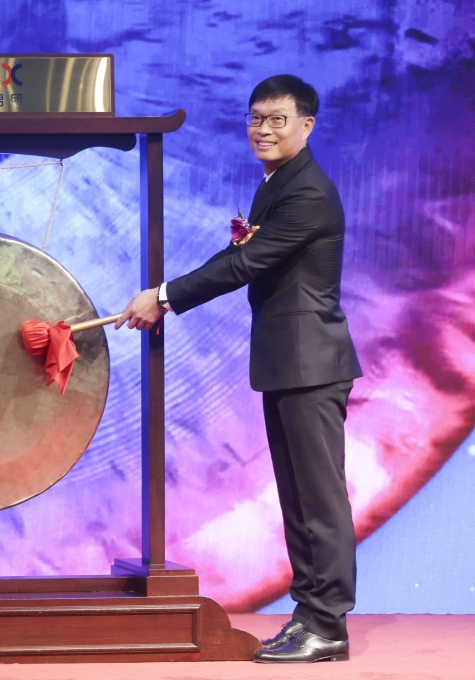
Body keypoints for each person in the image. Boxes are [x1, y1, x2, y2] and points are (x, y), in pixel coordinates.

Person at [115, 75, 363, 664]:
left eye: (278, 120)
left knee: (319, 501)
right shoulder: (278, 184)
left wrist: (166, 296)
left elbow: (248, 261)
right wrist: (166, 292)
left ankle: (328, 625)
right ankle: (310, 616)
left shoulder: (308, 193)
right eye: (256, 118)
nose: (264, 130)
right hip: (287, 363)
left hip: (311, 365)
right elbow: (242, 254)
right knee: (299, 499)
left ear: (307, 125)